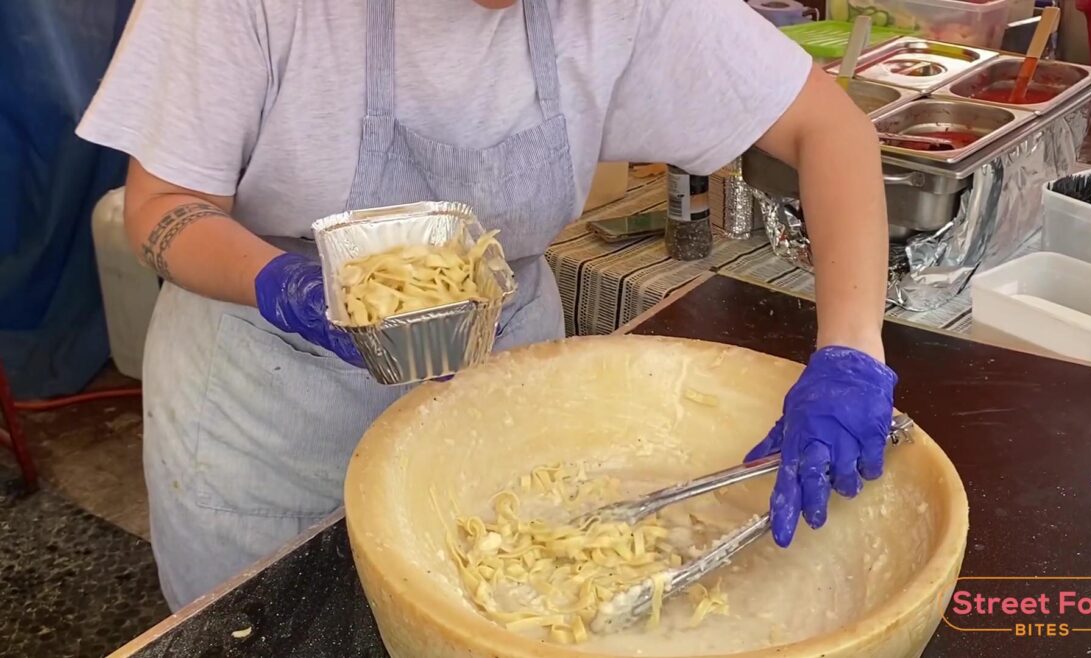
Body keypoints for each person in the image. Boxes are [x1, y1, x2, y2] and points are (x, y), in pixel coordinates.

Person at [78, 0, 896, 611]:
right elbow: (161, 204)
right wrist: (279, 284)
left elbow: (830, 130)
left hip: (497, 399)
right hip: (272, 411)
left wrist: (852, 349)